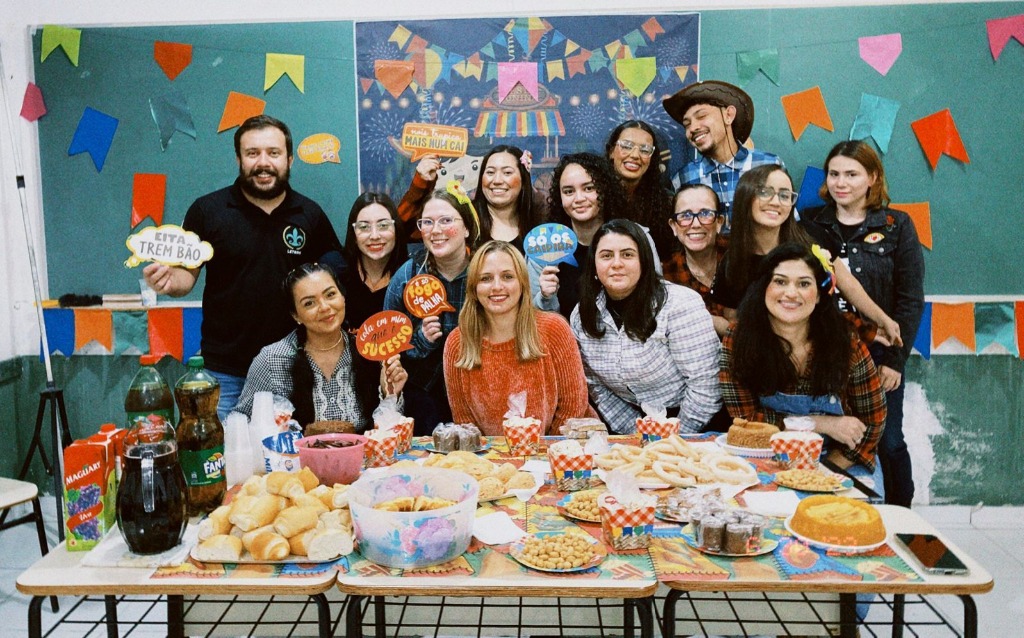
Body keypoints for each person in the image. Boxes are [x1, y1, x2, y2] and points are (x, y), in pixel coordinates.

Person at [142, 115, 342, 418]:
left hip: (292, 366)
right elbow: (185, 277)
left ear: (289, 159)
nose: (263, 163)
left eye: (273, 153)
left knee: (291, 449)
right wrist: (170, 282)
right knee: (222, 449)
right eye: (252, 153)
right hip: (225, 372)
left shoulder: (310, 215)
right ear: (239, 159)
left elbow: (333, 280)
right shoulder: (207, 211)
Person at [801, 140, 925, 508]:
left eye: (852, 174)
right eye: (834, 174)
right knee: (827, 435)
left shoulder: (896, 225)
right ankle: (824, 508)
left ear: (872, 178)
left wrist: (895, 360)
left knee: (888, 440)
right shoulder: (809, 222)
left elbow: (910, 300)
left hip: (877, 353)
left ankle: (903, 515)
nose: (841, 183)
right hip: (822, 351)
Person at [719, 242, 886, 485]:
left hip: (840, 459)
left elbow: (873, 422)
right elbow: (747, 422)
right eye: (780, 281)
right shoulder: (738, 340)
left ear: (818, 295)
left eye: (804, 284)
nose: (791, 293)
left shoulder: (845, 342)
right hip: (768, 458)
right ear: (763, 288)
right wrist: (820, 424)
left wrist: (823, 472)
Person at [710, 164, 903, 346]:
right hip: (767, 353)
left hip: (820, 345)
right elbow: (734, 321)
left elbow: (848, 285)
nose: (776, 202)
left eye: (784, 195)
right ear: (746, 197)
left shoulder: (810, 236)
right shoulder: (732, 260)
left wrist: (881, 318)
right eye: (765, 192)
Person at [571, 219, 721, 434]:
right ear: (594, 265)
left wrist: (672, 439)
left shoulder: (679, 303)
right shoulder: (582, 315)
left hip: (694, 424)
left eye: (627, 255)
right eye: (606, 256)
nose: (616, 264)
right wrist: (636, 435)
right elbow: (596, 386)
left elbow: (706, 384)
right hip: (632, 426)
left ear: (644, 261)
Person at [444, 241, 593, 435]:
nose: (497, 286)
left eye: (507, 277)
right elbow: (466, 425)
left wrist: (541, 451)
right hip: (490, 453)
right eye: (486, 278)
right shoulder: (457, 343)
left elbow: (573, 406)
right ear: (473, 287)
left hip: (560, 447)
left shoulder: (555, 329)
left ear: (522, 283)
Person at [234, 263, 407, 430]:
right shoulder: (271, 360)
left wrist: (391, 395)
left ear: (343, 297)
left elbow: (387, 434)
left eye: (330, 294)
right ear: (295, 315)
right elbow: (241, 423)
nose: (324, 307)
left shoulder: (369, 351)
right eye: (309, 303)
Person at [384, 183, 480, 434]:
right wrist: (421, 340)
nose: (435, 231)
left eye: (446, 220)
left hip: (479, 388)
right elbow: (388, 348)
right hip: (422, 395)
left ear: (467, 228)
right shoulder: (407, 276)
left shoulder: (485, 274)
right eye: (427, 222)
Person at [663, 80, 782, 232]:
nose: (693, 128)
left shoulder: (768, 165)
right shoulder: (683, 178)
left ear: (728, 115)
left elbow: (789, 226)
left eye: (701, 116)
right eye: (687, 124)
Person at [398, 145, 543, 253]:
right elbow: (403, 231)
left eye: (507, 172)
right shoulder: (462, 218)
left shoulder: (540, 224)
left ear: (523, 180)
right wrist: (421, 183)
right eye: (490, 172)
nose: (497, 180)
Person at [662, 184, 730, 336]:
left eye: (705, 213)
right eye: (685, 215)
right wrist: (714, 322)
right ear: (673, 226)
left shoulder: (740, 257)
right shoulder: (666, 274)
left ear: (719, 222)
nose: (696, 224)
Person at [336, 193, 408, 331]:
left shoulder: (411, 274)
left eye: (383, 225)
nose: (374, 236)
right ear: (354, 234)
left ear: (396, 230)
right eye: (364, 227)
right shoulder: (336, 273)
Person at [604, 120, 673, 254]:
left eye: (645, 150)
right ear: (611, 151)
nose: (635, 155)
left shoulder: (665, 202)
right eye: (626, 146)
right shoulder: (594, 197)